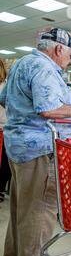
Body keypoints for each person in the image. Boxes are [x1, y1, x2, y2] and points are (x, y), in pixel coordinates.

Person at [0, 28, 71, 256]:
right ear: (59, 49)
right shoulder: (46, 68)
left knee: (22, 206)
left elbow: (3, 98)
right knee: (40, 210)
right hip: (40, 149)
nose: (68, 62)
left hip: (17, 146)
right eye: (69, 56)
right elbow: (47, 109)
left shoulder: (21, 63)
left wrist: (23, 117)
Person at [0, 58, 11, 203]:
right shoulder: (6, 86)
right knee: (5, 164)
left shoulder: (4, 87)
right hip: (6, 128)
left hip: (3, 128)